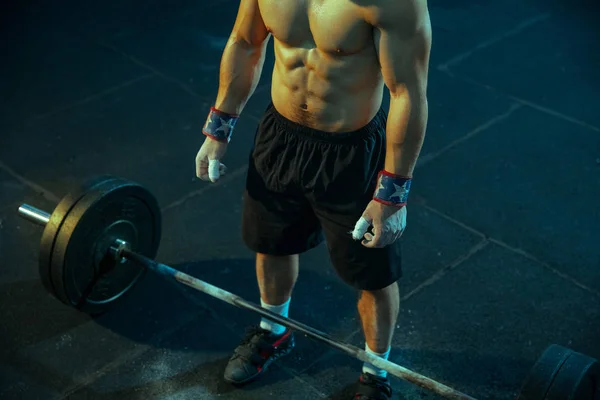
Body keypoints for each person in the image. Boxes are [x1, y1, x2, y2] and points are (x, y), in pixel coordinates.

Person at [195, 0, 431, 398]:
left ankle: (376, 369)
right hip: (280, 139)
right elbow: (244, 42)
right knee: (271, 245)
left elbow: (407, 92)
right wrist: (218, 127)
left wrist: (392, 194)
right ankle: (273, 328)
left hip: (351, 156)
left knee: (372, 275)